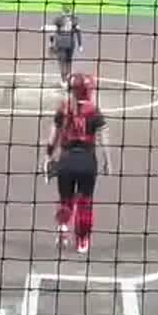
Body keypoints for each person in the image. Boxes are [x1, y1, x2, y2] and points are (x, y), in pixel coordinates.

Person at [45, 72, 108, 254]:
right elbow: (104, 139)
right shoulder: (93, 111)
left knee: (66, 199)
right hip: (88, 161)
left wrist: (48, 158)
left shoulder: (63, 109)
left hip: (66, 161)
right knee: (85, 202)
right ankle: (82, 240)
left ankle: (63, 227)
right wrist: (108, 161)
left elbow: (53, 138)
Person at [49, 5, 84, 86]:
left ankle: (64, 81)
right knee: (68, 62)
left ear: (62, 11)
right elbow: (78, 32)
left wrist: (51, 44)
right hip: (71, 43)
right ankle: (68, 80)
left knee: (62, 63)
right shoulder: (74, 19)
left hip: (60, 43)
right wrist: (80, 45)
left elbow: (53, 33)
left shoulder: (58, 19)